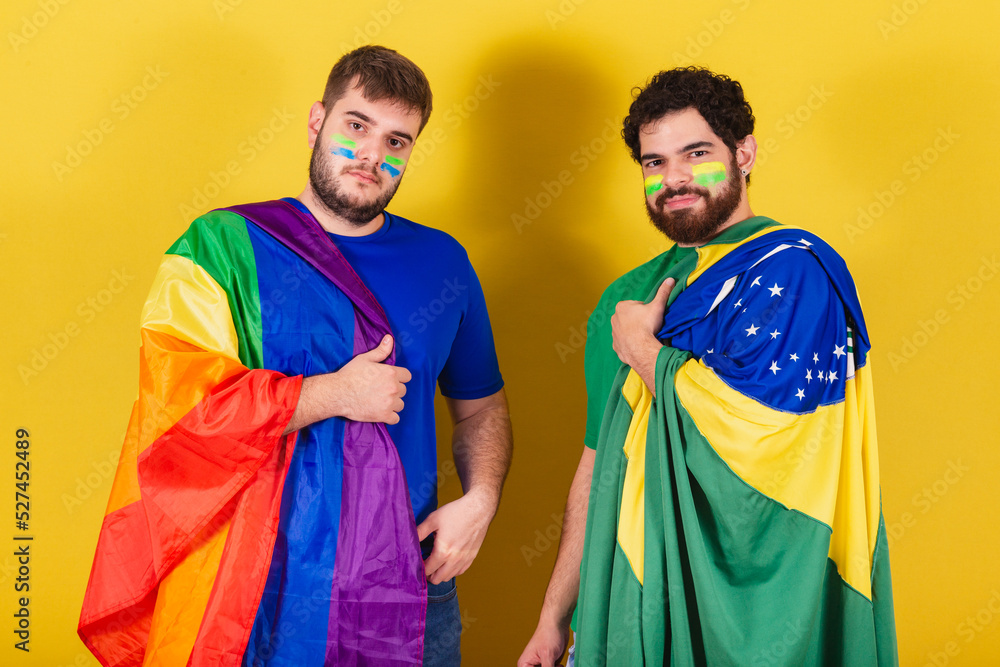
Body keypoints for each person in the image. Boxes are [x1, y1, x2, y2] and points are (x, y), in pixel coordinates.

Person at [79, 45, 512, 667]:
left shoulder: (443, 261)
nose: (372, 155)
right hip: (253, 584)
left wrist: (482, 501)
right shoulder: (223, 247)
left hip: (405, 581)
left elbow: (482, 406)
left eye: (398, 141)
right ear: (318, 121)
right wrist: (330, 394)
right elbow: (175, 412)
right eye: (356, 126)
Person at [518, 67, 896, 666]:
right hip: (642, 604)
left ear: (743, 153)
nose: (675, 179)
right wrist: (554, 617)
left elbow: (766, 440)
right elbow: (599, 466)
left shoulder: (793, 272)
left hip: (771, 610)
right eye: (653, 162)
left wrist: (644, 353)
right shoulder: (627, 297)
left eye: (697, 154)